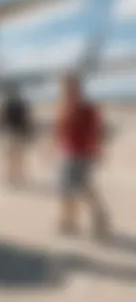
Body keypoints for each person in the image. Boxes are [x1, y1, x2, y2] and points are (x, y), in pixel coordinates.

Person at [52, 73, 109, 238]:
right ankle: (69, 222)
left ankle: (100, 216)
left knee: (84, 188)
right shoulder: (63, 108)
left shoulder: (88, 109)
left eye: (70, 87)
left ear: (78, 88)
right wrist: (52, 148)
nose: (66, 91)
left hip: (83, 155)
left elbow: (97, 132)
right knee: (65, 190)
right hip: (66, 153)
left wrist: (98, 151)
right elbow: (59, 131)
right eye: (64, 88)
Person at [0, 83, 33, 185]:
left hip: (10, 133)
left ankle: (10, 176)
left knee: (10, 157)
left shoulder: (7, 104)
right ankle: (17, 176)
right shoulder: (21, 103)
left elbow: (1, 118)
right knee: (18, 157)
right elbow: (27, 118)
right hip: (19, 132)